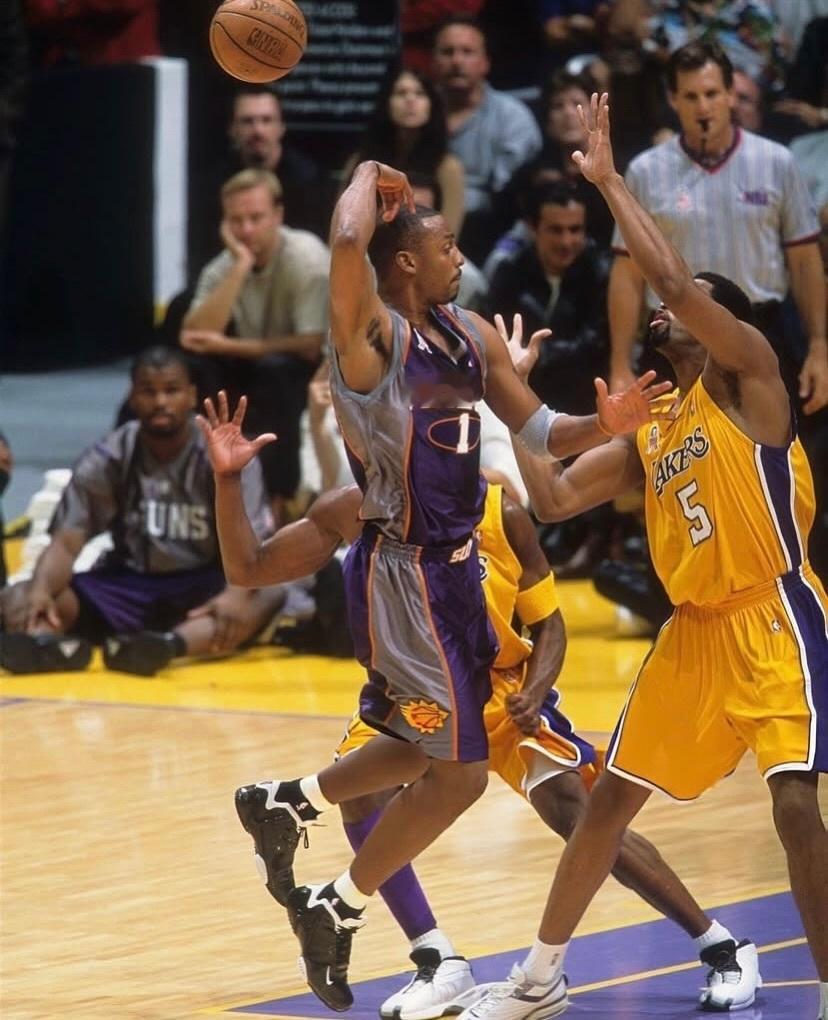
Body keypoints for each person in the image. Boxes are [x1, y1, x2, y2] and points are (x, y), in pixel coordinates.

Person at [213, 153, 674, 1012]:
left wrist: (602, 424)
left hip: (462, 573)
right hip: (407, 575)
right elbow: (346, 239)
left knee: (430, 752)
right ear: (406, 262)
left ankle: (288, 806)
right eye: (447, 246)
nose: (461, 257)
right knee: (459, 776)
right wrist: (366, 172)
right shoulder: (371, 342)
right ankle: (338, 903)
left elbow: (542, 429)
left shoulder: (472, 334)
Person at [198, 396, 760, 1015]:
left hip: (502, 689)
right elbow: (248, 568)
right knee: (365, 792)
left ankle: (719, 944)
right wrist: (228, 480)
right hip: (419, 690)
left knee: (582, 816)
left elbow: (549, 624)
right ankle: (435, 959)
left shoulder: (499, 510)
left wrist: (537, 689)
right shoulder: (349, 510)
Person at [461, 92, 828, 1020]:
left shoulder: (750, 378)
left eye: (689, 301)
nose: (669, 308)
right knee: (608, 802)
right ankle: (539, 978)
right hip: (692, 635)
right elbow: (551, 495)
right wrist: (511, 388)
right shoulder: (656, 426)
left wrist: (609, 180)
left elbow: (668, 280)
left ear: (722, 323)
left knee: (794, 806)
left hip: (773, 614)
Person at [0, 347, 284, 677]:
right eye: (149, 392)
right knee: (21, 595)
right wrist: (40, 590)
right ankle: (49, 645)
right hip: (126, 585)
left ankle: (164, 647)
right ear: (133, 397)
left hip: (201, 586)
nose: (160, 401)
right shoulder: (110, 456)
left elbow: (254, 548)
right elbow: (66, 542)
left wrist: (235, 596)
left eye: (171, 390)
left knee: (267, 594)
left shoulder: (222, 456)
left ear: (191, 396)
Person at [181, 168, 330, 522]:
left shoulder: (307, 258)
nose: (246, 230)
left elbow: (311, 345)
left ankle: (282, 498)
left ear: (278, 216)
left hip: (306, 371)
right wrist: (240, 267)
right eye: (236, 220)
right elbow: (193, 336)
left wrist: (228, 346)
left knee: (276, 373)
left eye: (256, 218)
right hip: (255, 363)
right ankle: (199, 483)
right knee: (192, 369)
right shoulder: (226, 263)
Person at [431, 14, 543, 261]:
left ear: (485, 63)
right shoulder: (417, 111)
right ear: (433, 61)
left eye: (467, 52)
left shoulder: (513, 118)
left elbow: (506, 197)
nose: (457, 61)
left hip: (491, 232)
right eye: (448, 52)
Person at [188, 86, 326, 274]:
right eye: (247, 121)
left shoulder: (309, 180)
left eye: (266, 120)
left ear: (281, 127)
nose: (257, 130)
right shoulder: (213, 184)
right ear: (232, 129)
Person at [340, 66, 466, 238]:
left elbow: (450, 236)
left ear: (432, 105)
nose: (410, 100)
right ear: (387, 103)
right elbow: (342, 226)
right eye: (401, 93)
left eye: (420, 94)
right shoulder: (362, 161)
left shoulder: (447, 167)